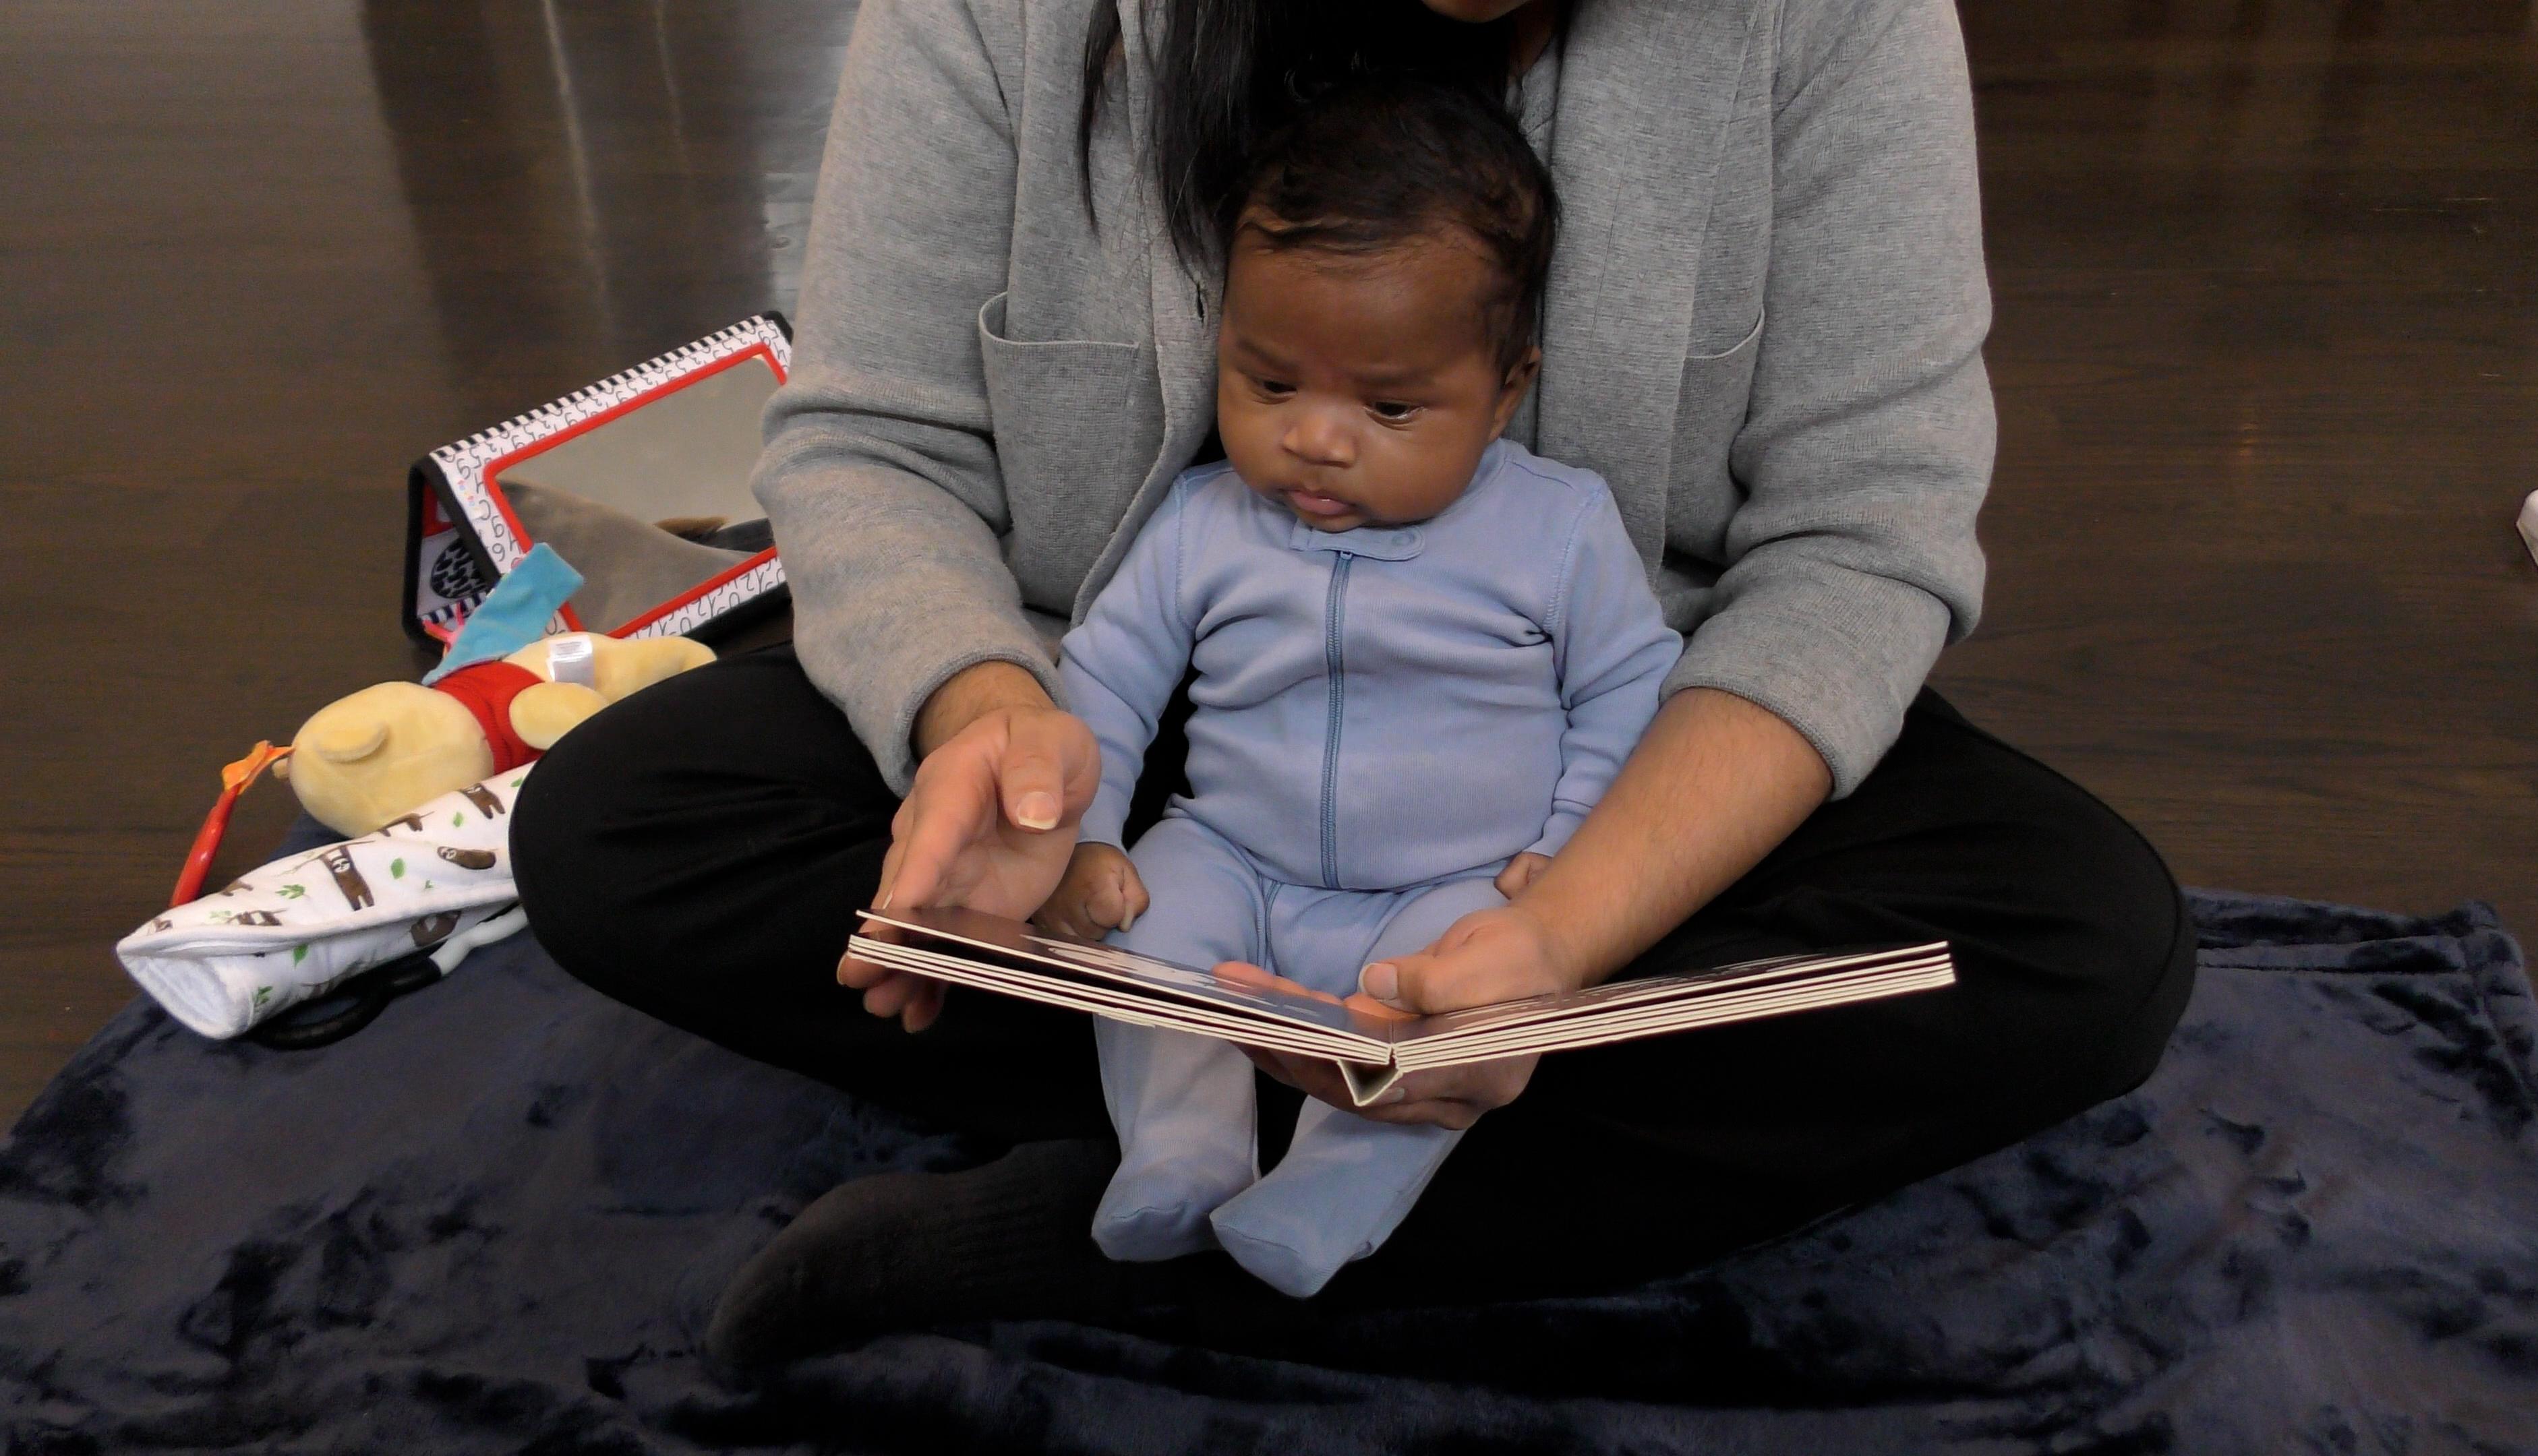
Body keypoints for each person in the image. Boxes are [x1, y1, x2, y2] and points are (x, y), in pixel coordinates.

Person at [510, 0, 2196, 1372]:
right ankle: (1344, 1157)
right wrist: (996, 732)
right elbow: (873, 447)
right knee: (620, 824)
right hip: (1127, 715)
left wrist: (1565, 926)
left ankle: (1109, 1223)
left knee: (2078, 946)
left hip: (1581, 777)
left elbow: (1859, 549)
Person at [1036, 75, 1680, 1299]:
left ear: (1506, 391)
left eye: (1389, 406)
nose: (1318, 440)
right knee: (1147, 933)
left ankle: (1327, 1196)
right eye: (1271, 384)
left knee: (1451, 1011)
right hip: (1233, 851)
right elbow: (1107, 677)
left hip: (1446, 885)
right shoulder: (1204, 521)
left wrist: (1564, 850)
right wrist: (1093, 835)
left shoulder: (1557, 528)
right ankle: (1179, 1151)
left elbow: (1629, 689)